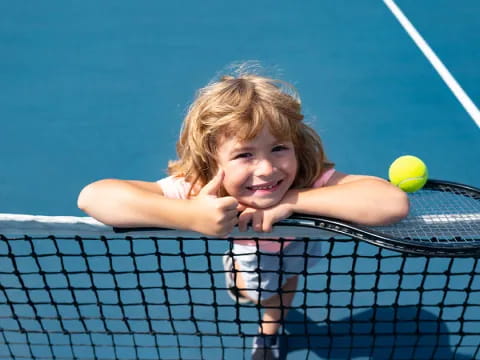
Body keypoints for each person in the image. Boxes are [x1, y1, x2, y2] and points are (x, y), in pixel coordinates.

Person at [78, 66, 409, 360]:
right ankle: (238, 274)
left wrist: (293, 202)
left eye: (279, 148)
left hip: (299, 241)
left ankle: (270, 332)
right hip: (252, 251)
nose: (266, 169)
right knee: (257, 293)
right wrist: (190, 215)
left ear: (297, 145)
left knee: (289, 276)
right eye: (244, 155)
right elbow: (94, 197)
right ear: (212, 160)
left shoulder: (307, 179)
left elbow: (392, 203)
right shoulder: (200, 187)